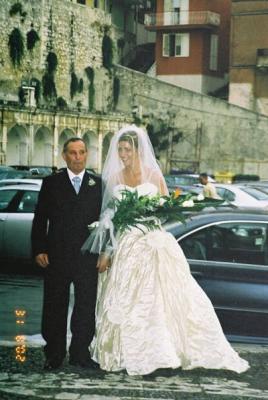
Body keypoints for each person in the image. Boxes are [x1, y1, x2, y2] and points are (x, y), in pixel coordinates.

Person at [83, 124, 249, 376]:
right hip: (126, 244)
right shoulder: (114, 178)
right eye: (120, 150)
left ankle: (163, 353)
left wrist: (152, 225)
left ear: (138, 150)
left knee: (158, 300)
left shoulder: (154, 175)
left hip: (152, 242)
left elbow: (167, 209)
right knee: (128, 300)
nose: (123, 154)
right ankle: (127, 353)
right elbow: (110, 218)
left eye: (127, 149)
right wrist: (106, 251)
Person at [31, 137, 102, 370]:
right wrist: (39, 248)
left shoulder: (97, 184)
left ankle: (80, 353)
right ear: (64, 156)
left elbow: (106, 222)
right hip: (57, 255)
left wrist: (103, 253)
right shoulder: (52, 183)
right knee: (54, 306)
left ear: (86, 155)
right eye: (72, 153)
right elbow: (41, 218)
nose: (78, 157)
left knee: (85, 306)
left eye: (82, 152)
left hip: (87, 258)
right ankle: (54, 354)